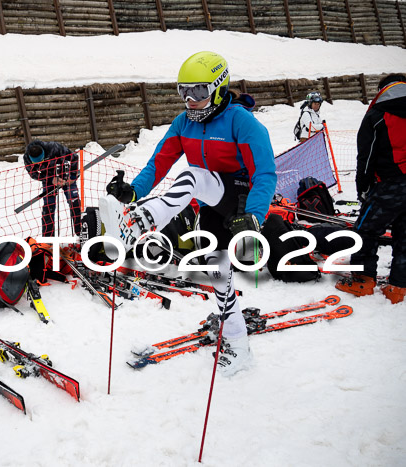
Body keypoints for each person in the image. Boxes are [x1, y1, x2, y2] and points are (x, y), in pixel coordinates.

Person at [101, 51, 277, 376]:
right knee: (218, 275)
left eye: (198, 91)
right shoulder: (184, 123)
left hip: (240, 196)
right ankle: (239, 345)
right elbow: (159, 161)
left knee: (193, 175)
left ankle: (144, 219)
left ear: (220, 87)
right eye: (184, 91)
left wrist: (254, 214)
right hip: (211, 205)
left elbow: (265, 173)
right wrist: (134, 191)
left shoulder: (242, 122)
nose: (190, 100)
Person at [335, 74, 406, 304]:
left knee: (365, 230)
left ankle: (363, 280)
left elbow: (365, 158)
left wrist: (362, 189)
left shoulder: (376, 115)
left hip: (388, 185)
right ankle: (399, 286)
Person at [24, 140, 81, 237]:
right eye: (37, 163)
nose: (40, 163)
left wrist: (71, 176)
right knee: (48, 206)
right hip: (49, 179)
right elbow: (33, 174)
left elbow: (74, 157)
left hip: (65, 174)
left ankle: (80, 232)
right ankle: (48, 239)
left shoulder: (54, 148)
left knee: (74, 201)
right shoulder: (27, 157)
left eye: (41, 161)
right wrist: (51, 180)